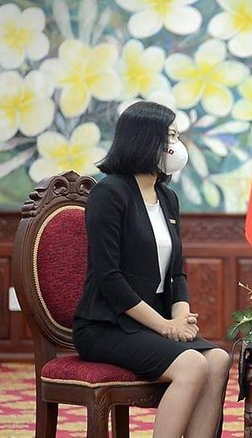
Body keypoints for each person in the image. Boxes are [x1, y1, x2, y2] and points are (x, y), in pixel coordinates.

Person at [73, 101, 230, 437]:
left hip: (152, 325)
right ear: (145, 138)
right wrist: (165, 327)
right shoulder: (109, 193)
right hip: (106, 326)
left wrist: (181, 319)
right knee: (191, 366)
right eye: (169, 135)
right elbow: (109, 278)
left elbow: (177, 273)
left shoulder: (167, 197)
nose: (176, 146)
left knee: (217, 360)